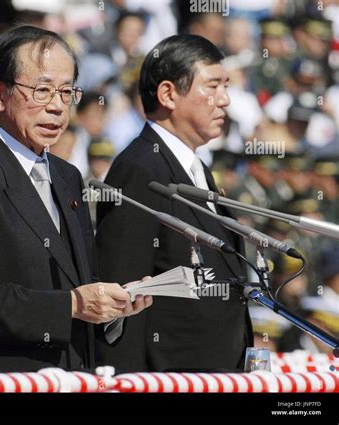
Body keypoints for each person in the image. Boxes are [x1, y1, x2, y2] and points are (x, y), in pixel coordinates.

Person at [0, 25, 152, 373]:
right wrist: (71, 305)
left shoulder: (67, 176)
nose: (58, 107)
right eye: (42, 91)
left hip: (73, 376)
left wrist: (110, 309)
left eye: (66, 92)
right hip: (6, 379)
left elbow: (78, 285)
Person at [96, 34, 252, 373]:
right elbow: (122, 297)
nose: (224, 100)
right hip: (166, 378)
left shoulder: (196, 168)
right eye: (212, 86)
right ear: (168, 94)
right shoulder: (139, 169)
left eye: (226, 86)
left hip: (215, 374)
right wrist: (127, 384)